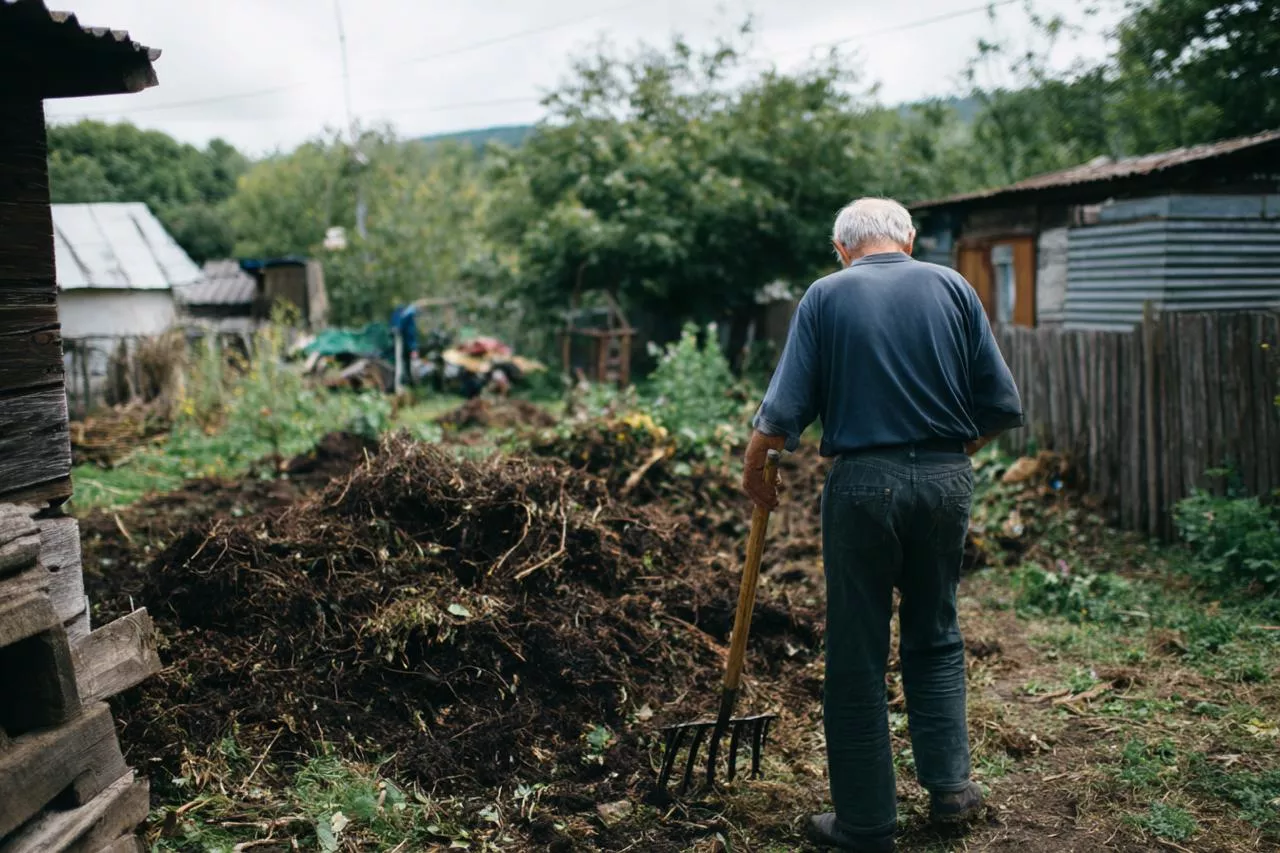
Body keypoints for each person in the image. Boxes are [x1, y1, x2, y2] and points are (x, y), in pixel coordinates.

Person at [741, 197, 1023, 852]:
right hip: (948, 480)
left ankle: (865, 821)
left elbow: (781, 415)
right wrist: (947, 457)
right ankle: (951, 790)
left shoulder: (826, 295)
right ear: (910, 238)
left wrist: (757, 467)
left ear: (841, 248)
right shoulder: (953, 286)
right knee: (937, 630)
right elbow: (1002, 404)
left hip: (864, 484)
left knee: (857, 650)